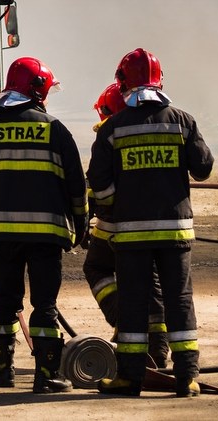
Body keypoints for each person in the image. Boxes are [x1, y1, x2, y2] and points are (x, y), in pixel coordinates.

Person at [87, 48, 214, 398]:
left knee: (133, 303)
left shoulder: (113, 128)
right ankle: (187, 378)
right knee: (179, 301)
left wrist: (117, 205)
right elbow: (203, 168)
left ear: (123, 83)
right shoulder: (183, 122)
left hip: (131, 236)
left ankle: (130, 378)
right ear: (160, 82)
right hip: (175, 232)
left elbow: (98, 181)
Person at [0, 56, 87, 392]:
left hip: (0, 236)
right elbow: (76, 186)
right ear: (39, 90)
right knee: (44, 305)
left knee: (4, 303)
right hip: (46, 237)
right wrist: (82, 223)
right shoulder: (56, 131)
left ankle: (2, 371)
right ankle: (47, 375)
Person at [83, 82, 170, 368]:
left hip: (113, 229)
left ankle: (124, 321)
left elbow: (97, 186)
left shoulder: (110, 132)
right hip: (157, 225)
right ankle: (157, 349)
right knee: (152, 282)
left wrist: (88, 213)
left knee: (96, 267)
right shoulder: (159, 128)